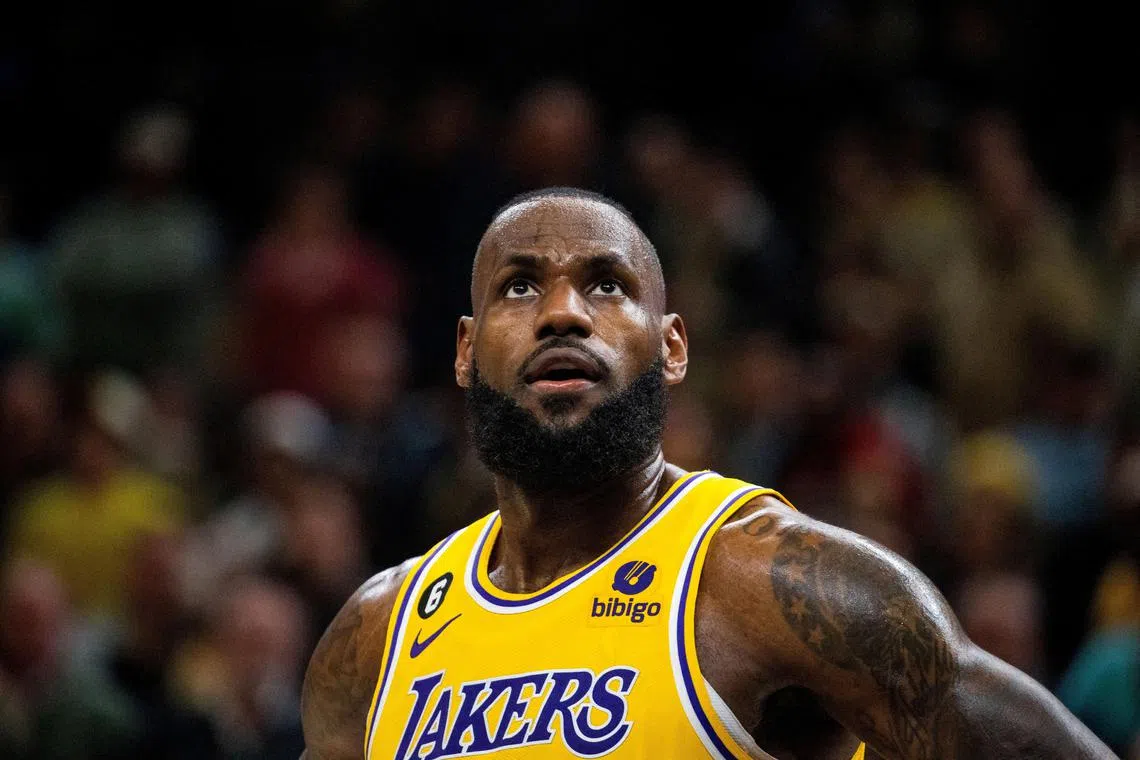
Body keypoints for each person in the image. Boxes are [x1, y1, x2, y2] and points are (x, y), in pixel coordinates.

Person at [299, 188, 1116, 759]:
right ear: (466, 351)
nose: (563, 312)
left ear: (673, 347)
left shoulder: (770, 582)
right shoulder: (375, 638)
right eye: (520, 286)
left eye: (606, 285)